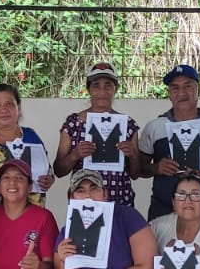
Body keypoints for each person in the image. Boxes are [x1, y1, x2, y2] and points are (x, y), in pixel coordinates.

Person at [137, 64, 200, 220]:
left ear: (199, 89)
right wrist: (156, 168)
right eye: (175, 88)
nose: (182, 93)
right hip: (162, 209)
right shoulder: (154, 127)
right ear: (169, 94)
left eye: (188, 86)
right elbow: (138, 169)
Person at [53, 61, 141, 205]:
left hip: (120, 200)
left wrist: (133, 155)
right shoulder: (73, 124)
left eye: (108, 85)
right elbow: (58, 170)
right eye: (96, 86)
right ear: (88, 89)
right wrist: (75, 155)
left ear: (115, 88)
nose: (102, 91)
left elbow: (135, 174)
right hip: (85, 203)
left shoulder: (128, 125)